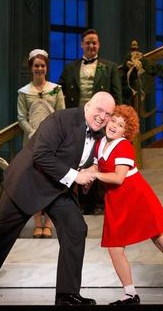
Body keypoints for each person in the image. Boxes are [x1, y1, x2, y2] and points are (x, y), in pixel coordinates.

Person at [0, 92, 116, 306]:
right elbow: (41, 155)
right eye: (99, 110)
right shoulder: (59, 119)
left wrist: (91, 168)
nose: (102, 117)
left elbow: (88, 157)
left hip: (58, 188)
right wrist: (77, 176)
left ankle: (66, 294)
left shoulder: (100, 135)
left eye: (108, 114)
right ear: (88, 105)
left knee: (76, 229)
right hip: (28, 182)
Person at [84, 105, 163, 305]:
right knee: (114, 248)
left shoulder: (123, 146)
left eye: (120, 125)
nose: (114, 126)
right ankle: (130, 294)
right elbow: (97, 164)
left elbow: (118, 178)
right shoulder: (100, 142)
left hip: (136, 197)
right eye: (113, 120)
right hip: (116, 201)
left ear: (126, 131)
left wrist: (94, 175)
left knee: (162, 241)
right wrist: (86, 173)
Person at [58, 29, 122, 215]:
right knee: (79, 156)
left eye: (94, 43)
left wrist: (115, 122)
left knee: (99, 157)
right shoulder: (70, 68)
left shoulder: (109, 67)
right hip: (77, 119)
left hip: (102, 120)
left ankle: (98, 202)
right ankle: (80, 202)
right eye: (88, 43)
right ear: (81, 45)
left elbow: (117, 95)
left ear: (99, 45)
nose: (91, 46)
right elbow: (59, 92)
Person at [17, 49, 65, 239]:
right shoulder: (24, 92)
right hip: (32, 140)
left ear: (47, 68)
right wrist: (32, 132)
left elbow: (61, 114)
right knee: (35, 181)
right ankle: (37, 222)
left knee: (52, 180)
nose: (40, 68)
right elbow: (21, 117)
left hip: (53, 141)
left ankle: (50, 222)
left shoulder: (56, 89)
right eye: (36, 65)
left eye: (43, 65)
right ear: (31, 68)